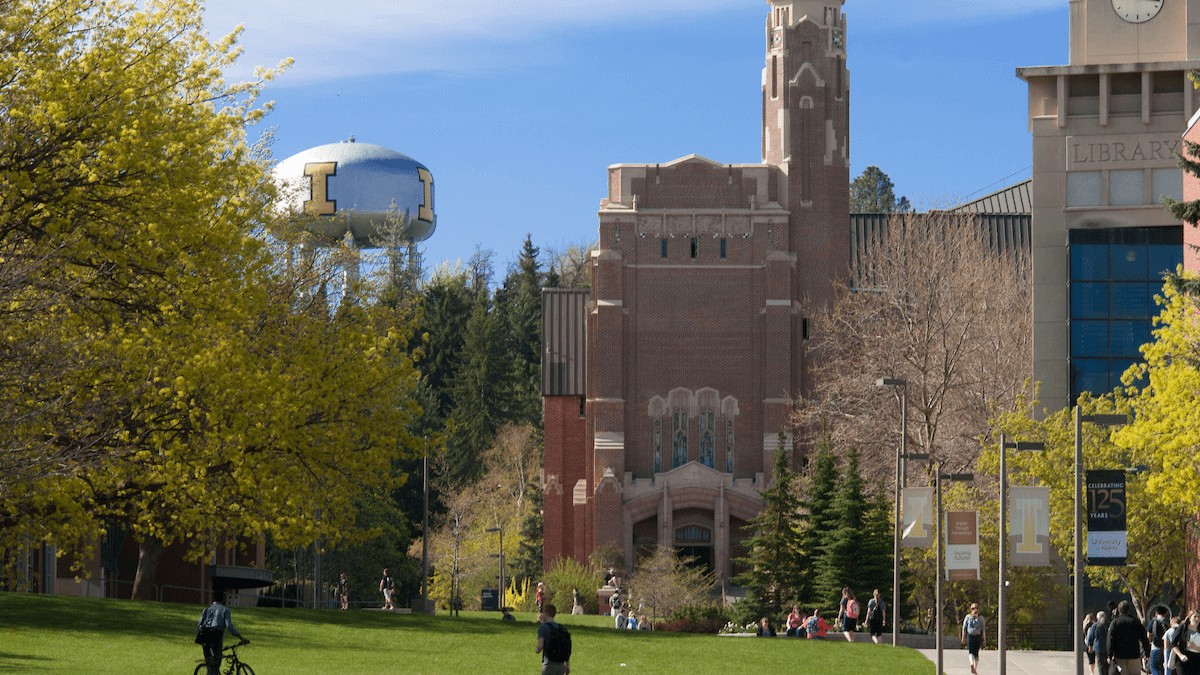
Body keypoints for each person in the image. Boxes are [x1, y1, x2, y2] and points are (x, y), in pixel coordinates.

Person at [196, 589, 248, 675]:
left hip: (204, 637)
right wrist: (241, 637)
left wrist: (199, 636)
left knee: (210, 665)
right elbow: (229, 627)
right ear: (223, 599)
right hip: (216, 637)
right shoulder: (225, 610)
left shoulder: (206, 609)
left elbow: (199, 625)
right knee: (216, 665)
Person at [1108, 599, 1151, 675]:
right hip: (1134, 655)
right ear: (1128, 609)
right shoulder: (1136, 622)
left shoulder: (1115, 623)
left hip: (1120, 655)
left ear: (1119, 610)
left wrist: (1109, 654)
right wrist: (1147, 653)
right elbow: (1144, 638)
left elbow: (1110, 639)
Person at [536, 603, 571, 675]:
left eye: (542, 612)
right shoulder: (562, 629)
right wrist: (567, 665)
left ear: (546, 614)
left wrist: (536, 650)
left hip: (549, 663)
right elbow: (567, 647)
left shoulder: (543, 628)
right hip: (561, 665)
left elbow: (540, 646)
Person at [1170, 611, 1200, 675]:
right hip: (1183, 659)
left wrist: (1195, 647)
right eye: (1195, 617)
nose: (1197, 619)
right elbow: (1173, 644)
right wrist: (1180, 655)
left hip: (1196, 660)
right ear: (1189, 618)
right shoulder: (1183, 627)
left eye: (1199, 617)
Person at [960, 602, 986, 675]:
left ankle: (974, 668)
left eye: (976, 608)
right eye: (973, 608)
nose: (975, 610)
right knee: (971, 652)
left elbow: (983, 630)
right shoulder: (968, 617)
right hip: (970, 636)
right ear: (970, 609)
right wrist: (963, 637)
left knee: (976, 653)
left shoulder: (981, 618)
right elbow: (964, 628)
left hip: (978, 637)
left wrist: (984, 639)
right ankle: (972, 664)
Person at [1148, 605, 1171, 675]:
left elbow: (1148, 635)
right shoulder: (1168, 622)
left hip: (1155, 646)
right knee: (1162, 667)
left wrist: (1150, 643)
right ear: (1165, 613)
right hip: (1166, 647)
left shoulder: (1153, 621)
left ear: (1156, 613)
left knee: (1153, 666)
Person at [1088, 611, 1110, 675]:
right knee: (1107, 663)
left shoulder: (1095, 625)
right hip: (1107, 647)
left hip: (1098, 647)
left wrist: (1090, 645)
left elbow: (1091, 636)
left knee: (1100, 664)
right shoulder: (1108, 624)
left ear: (1097, 618)